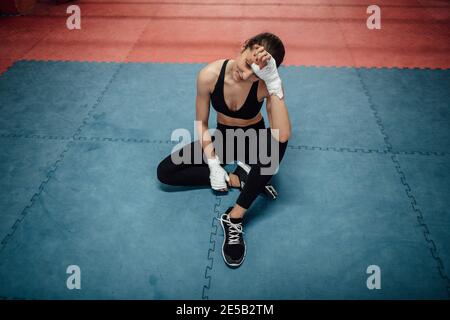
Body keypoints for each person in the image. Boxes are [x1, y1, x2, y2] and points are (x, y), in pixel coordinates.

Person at [157, 32, 291, 268]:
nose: (248, 73)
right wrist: (213, 165)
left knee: (277, 144)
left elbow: (283, 134)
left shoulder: (264, 84)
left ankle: (235, 216)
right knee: (165, 172)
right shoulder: (209, 75)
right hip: (224, 139)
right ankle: (241, 179)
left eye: (257, 72)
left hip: (255, 140)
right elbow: (201, 123)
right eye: (249, 63)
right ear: (244, 47)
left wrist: (274, 83)